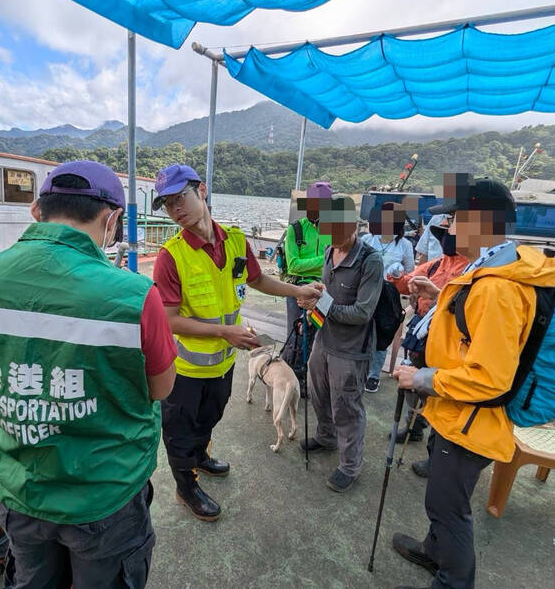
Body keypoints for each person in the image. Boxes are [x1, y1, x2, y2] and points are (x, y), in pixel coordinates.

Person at [0, 161, 177, 589]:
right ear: (111, 221)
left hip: (22, 487)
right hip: (105, 492)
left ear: (37, 210)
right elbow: (161, 387)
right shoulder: (134, 296)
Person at [391, 175, 555, 589]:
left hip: (470, 421)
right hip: (453, 412)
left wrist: (423, 378)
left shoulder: (497, 289)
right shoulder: (490, 268)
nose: (447, 228)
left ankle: (452, 581)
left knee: (448, 509)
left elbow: (490, 377)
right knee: (441, 500)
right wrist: (439, 295)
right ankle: (434, 553)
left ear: (480, 221)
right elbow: (473, 333)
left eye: (453, 219)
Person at [152, 164, 321, 521]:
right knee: (181, 431)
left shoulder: (234, 239)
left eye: (179, 198)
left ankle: (200, 458)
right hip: (184, 369)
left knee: (210, 416)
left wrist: (298, 290)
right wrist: (226, 332)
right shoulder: (171, 256)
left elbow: (258, 280)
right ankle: (186, 487)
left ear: (201, 190)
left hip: (225, 362)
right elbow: (168, 320)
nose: (175, 209)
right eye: (167, 204)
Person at [297, 194, 383, 492]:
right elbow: (329, 294)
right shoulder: (329, 252)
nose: (331, 238)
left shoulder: (371, 260)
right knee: (319, 394)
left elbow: (362, 312)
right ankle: (326, 437)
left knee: (347, 406)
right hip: (324, 339)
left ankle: (350, 465)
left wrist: (320, 304)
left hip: (351, 349)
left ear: (353, 226)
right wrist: (313, 312)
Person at [386, 216, 469, 452]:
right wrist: (396, 277)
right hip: (421, 332)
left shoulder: (472, 269)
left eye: (450, 234)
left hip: (449, 338)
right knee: (413, 381)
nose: (447, 239)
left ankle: (438, 446)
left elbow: (468, 306)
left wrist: (437, 294)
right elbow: (405, 284)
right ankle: (415, 426)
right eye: (443, 235)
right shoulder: (434, 265)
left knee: (442, 390)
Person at [361, 201, 414, 393]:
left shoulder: (405, 245)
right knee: (361, 332)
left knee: (382, 336)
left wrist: (399, 276)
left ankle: (374, 375)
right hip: (366, 291)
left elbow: (410, 273)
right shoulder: (367, 239)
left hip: (389, 296)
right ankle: (361, 369)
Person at [283, 181, 333, 333]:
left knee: (320, 335)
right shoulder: (295, 228)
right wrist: (325, 258)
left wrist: (328, 259)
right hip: (297, 289)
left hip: (325, 291)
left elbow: (338, 262)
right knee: (295, 335)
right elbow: (293, 265)